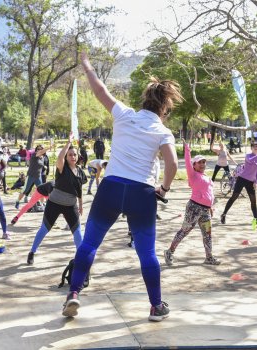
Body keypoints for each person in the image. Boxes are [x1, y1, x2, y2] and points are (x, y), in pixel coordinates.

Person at [61, 52, 182, 322]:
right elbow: (172, 165)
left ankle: (74, 293)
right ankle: (155, 307)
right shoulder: (163, 132)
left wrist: (86, 64)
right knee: (146, 253)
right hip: (142, 193)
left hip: (111, 188)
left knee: (90, 243)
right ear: (164, 108)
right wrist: (164, 189)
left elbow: (99, 89)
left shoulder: (124, 114)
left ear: (144, 100)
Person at [26, 132, 87, 265]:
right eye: (70, 154)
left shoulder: (80, 172)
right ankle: (32, 252)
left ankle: (81, 258)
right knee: (44, 229)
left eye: (75, 154)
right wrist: (68, 143)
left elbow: (79, 190)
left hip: (71, 205)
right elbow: (60, 156)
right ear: (66, 156)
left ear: (78, 157)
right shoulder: (61, 168)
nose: (73, 156)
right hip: (54, 203)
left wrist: (81, 205)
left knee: (77, 231)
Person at [164, 139, 220, 267]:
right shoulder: (193, 175)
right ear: (194, 165)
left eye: (204, 162)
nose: (202, 164)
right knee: (184, 231)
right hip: (194, 207)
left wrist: (211, 207)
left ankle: (209, 257)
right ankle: (169, 252)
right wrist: (187, 149)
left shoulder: (206, 177)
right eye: (199, 162)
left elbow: (210, 194)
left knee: (207, 234)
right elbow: (188, 162)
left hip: (206, 209)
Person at [221, 141, 257, 228]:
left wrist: (255, 182)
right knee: (234, 197)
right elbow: (251, 161)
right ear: (251, 148)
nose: (256, 147)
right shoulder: (248, 156)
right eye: (254, 146)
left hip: (250, 182)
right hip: (242, 179)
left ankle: (255, 220)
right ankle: (224, 214)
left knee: (253, 201)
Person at [15, 144, 52, 209]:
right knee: (25, 190)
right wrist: (49, 147)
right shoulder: (34, 155)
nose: (39, 150)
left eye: (41, 149)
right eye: (38, 149)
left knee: (42, 190)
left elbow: (40, 165)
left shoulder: (43, 157)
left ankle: (43, 204)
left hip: (38, 177)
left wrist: (44, 167)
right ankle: (17, 201)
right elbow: (40, 153)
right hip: (31, 176)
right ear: (36, 150)